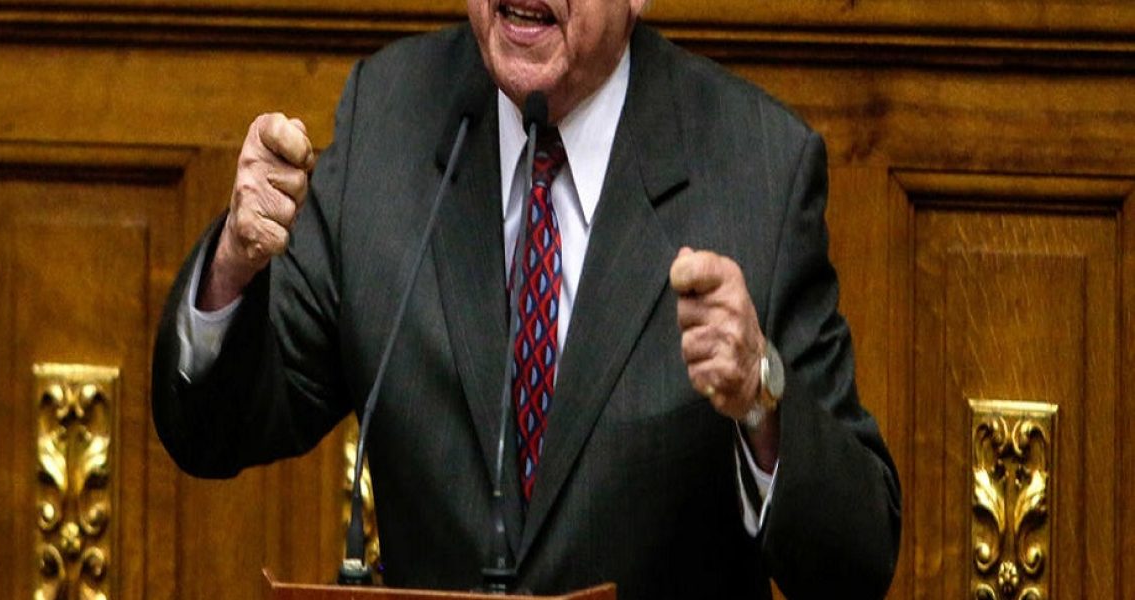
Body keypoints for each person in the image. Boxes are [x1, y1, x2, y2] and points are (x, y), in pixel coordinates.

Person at [151, 0, 902, 597]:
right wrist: (233, 267)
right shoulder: (390, 117)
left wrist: (760, 399)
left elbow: (857, 559)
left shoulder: (757, 168)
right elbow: (213, 431)